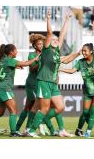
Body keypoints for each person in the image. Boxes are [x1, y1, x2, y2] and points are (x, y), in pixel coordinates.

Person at [26, 9, 73, 137]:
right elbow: (49, 33)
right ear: (48, 42)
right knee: (44, 108)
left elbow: (62, 35)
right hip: (44, 82)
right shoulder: (46, 50)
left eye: (56, 40)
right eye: (53, 40)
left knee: (60, 107)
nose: (56, 40)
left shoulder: (57, 51)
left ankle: (42, 120)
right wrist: (48, 19)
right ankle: (30, 130)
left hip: (53, 83)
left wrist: (67, 20)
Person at [0, 44, 40, 137]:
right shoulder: (10, 60)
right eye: (16, 50)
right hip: (5, 88)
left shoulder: (4, 60)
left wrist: (17, 66)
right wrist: (35, 59)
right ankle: (13, 132)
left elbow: (12, 65)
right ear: (11, 52)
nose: (17, 52)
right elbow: (26, 63)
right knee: (13, 111)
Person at [60, 43, 94, 138]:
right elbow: (72, 71)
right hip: (87, 90)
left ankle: (88, 131)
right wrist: (60, 69)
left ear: (91, 51)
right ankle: (79, 129)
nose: (83, 53)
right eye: (82, 51)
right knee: (85, 112)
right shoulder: (81, 62)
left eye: (85, 51)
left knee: (93, 110)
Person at [15, 33, 45, 133]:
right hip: (32, 84)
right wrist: (41, 61)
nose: (41, 45)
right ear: (35, 46)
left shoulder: (44, 54)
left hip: (40, 84)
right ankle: (24, 128)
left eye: (42, 44)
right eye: (39, 44)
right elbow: (32, 69)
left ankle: (21, 128)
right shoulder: (32, 55)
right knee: (31, 107)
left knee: (32, 107)